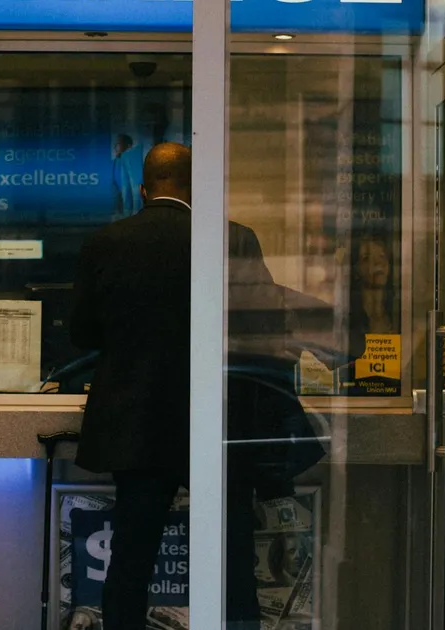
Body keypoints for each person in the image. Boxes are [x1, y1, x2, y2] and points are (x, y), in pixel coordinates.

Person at [72, 142, 288, 630]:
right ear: (196, 186)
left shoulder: (106, 242)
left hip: (137, 423)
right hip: (217, 420)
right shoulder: (234, 239)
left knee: (131, 555)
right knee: (232, 554)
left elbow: (83, 334)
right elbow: (266, 327)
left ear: (143, 189)